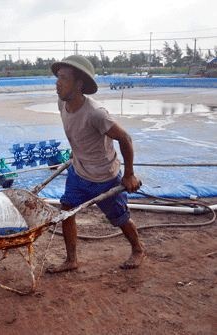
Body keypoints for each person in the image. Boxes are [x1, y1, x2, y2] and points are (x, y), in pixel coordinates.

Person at [48, 55, 146, 273]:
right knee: (67, 211)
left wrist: (129, 174)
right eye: (57, 77)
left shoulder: (96, 114)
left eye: (64, 78)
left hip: (104, 177)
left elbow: (125, 138)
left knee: (119, 218)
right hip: (79, 172)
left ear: (79, 84)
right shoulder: (62, 103)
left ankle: (138, 249)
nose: (57, 82)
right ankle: (71, 259)